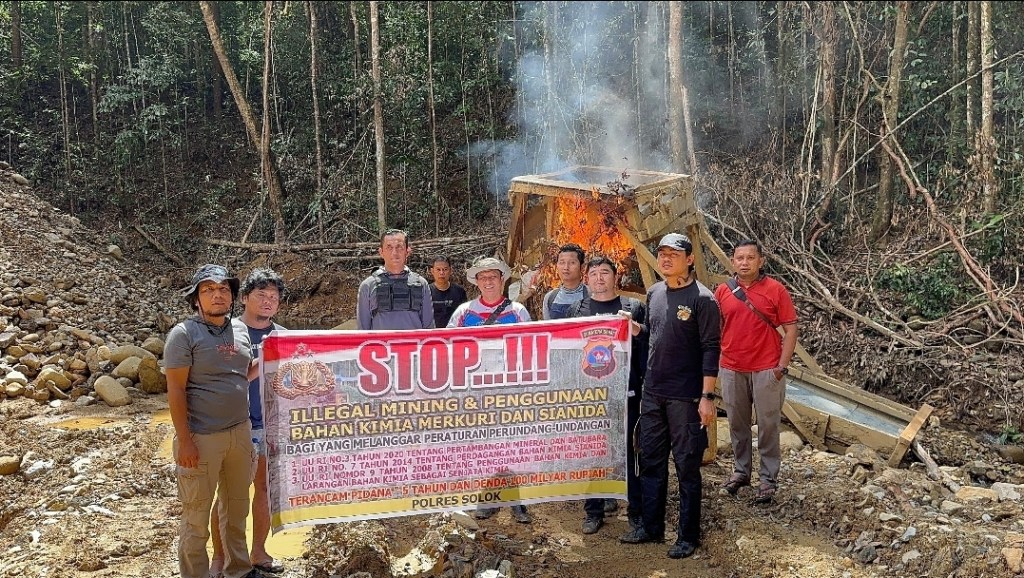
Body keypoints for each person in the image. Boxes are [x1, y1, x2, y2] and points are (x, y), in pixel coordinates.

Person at [620, 234, 721, 560]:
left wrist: (707, 397)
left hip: (686, 398)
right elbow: (653, 336)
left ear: (689, 259)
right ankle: (651, 527)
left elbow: (711, 349)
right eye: (661, 254)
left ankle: (687, 536)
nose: (665, 259)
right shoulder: (655, 293)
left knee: (687, 467)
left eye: (673, 255)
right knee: (651, 461)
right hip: (654, 393)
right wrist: (636, 329)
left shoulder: (703, 299)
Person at [164, 264, 259, 578]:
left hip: (240, 432)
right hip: (201, 437)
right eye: (208, 290)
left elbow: (240, 374)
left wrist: (278, 358)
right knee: (196, 516)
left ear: (232, 296)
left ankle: (240, 570)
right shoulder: (183, 334)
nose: (217, 295)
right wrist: (186, 439)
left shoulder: (240, 330)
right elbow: (176, 388)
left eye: (223, 290)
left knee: (236, 509)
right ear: (196, 299)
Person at [210, 268, 288, 576]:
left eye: (274, 297)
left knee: (266, 491)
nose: (268, 302)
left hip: (273, 425)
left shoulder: (282, 336)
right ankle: (220, 557)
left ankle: (258, 552)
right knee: (229, 494)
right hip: (236, 425)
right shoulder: (228, 333)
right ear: (244, 298)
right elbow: (220, 380)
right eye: (261, 295)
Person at [447, 256, 533, 524]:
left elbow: (531, 347)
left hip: (510, 390)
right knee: (485, 446)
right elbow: (448, 345)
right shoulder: (463, 312)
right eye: (483, 278)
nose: (488, 282)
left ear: (502, 279)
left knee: (512, 446)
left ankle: (517, 502)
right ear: (476, 282)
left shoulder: (518, 311)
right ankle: (488, 498)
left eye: (493, 277)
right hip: (477, 392)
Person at [568, 256, 649, 535]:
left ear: (616, 277)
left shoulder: (633, 307)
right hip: (591, 396)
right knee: (594, 453)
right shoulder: (578, 310)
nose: (599, 278)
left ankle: (636, 512)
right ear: (586, 278)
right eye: (594, 273)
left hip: (627, 394)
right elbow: (564, 350)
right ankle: (594, 510)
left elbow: (649, 344)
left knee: (630, 454)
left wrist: (636, 330)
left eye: (605, 272)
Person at [715, 240, 798, 505]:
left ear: (761, 261)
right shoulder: (723, 291)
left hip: (766, 369)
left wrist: (781, 367)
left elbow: (791, 329)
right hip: (732, 368)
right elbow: (716, 328)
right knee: (737, 425)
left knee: (768, 426)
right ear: (732, 260)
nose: (744, 262)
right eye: (740, 258)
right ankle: (741, 472)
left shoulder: (775, 290)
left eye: (751, 257)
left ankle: (768, 479)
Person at [357, 229, 434, 330]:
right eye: (389, 247)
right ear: (381, 252)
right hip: (381, 345)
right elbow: (362, 332)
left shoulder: (421, 284)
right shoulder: (368, 286)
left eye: (399, 247)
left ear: (407, 251)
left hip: (413, 345)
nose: (395, 252)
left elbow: (429, 328)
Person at [541, 243, 589, 320]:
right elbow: (549, 329)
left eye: (572, 263)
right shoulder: (550, 298)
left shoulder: (593, 296)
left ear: (582, 267)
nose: (566, 267)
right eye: (562, 263)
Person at [428, 256, 468, 328]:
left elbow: (464, 315)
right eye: (438, 269)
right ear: (432, 271)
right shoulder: (426, 291)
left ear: (450, 270)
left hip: (454, 333)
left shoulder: (459, 291)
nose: (442, 273)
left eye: (445, 269)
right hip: (432, 335)